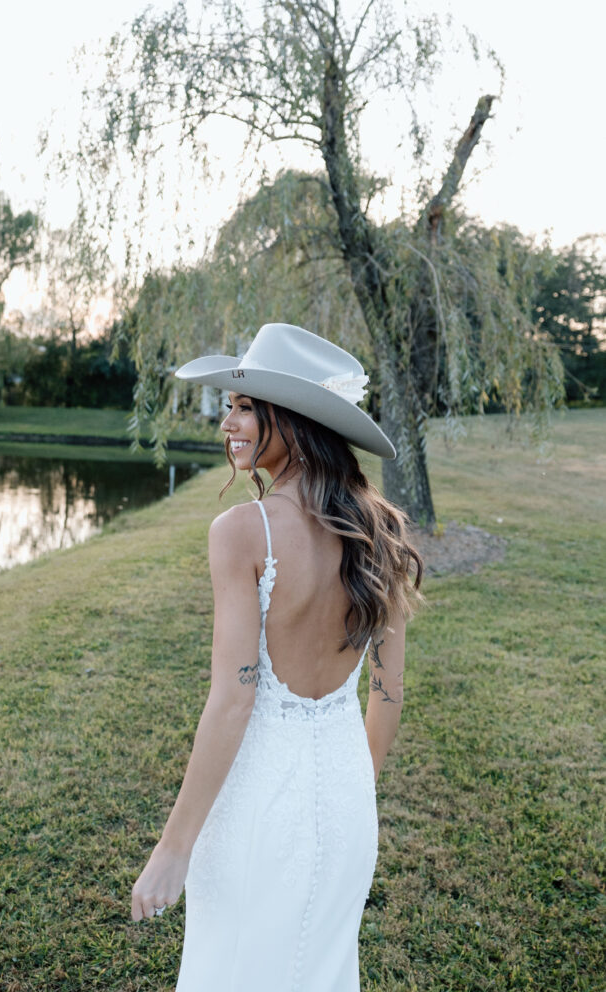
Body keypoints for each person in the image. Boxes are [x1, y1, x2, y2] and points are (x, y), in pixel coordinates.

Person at [131, 323, 423, 991]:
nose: (227, 425)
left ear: (290, 421)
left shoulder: (243, 531)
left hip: (256, 804)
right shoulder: (381, 530)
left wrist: (172, 850)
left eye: (243, 408)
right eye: (229, 407)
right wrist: (356, 785)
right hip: (347, 799)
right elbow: (387, 693)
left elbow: (233, 699)